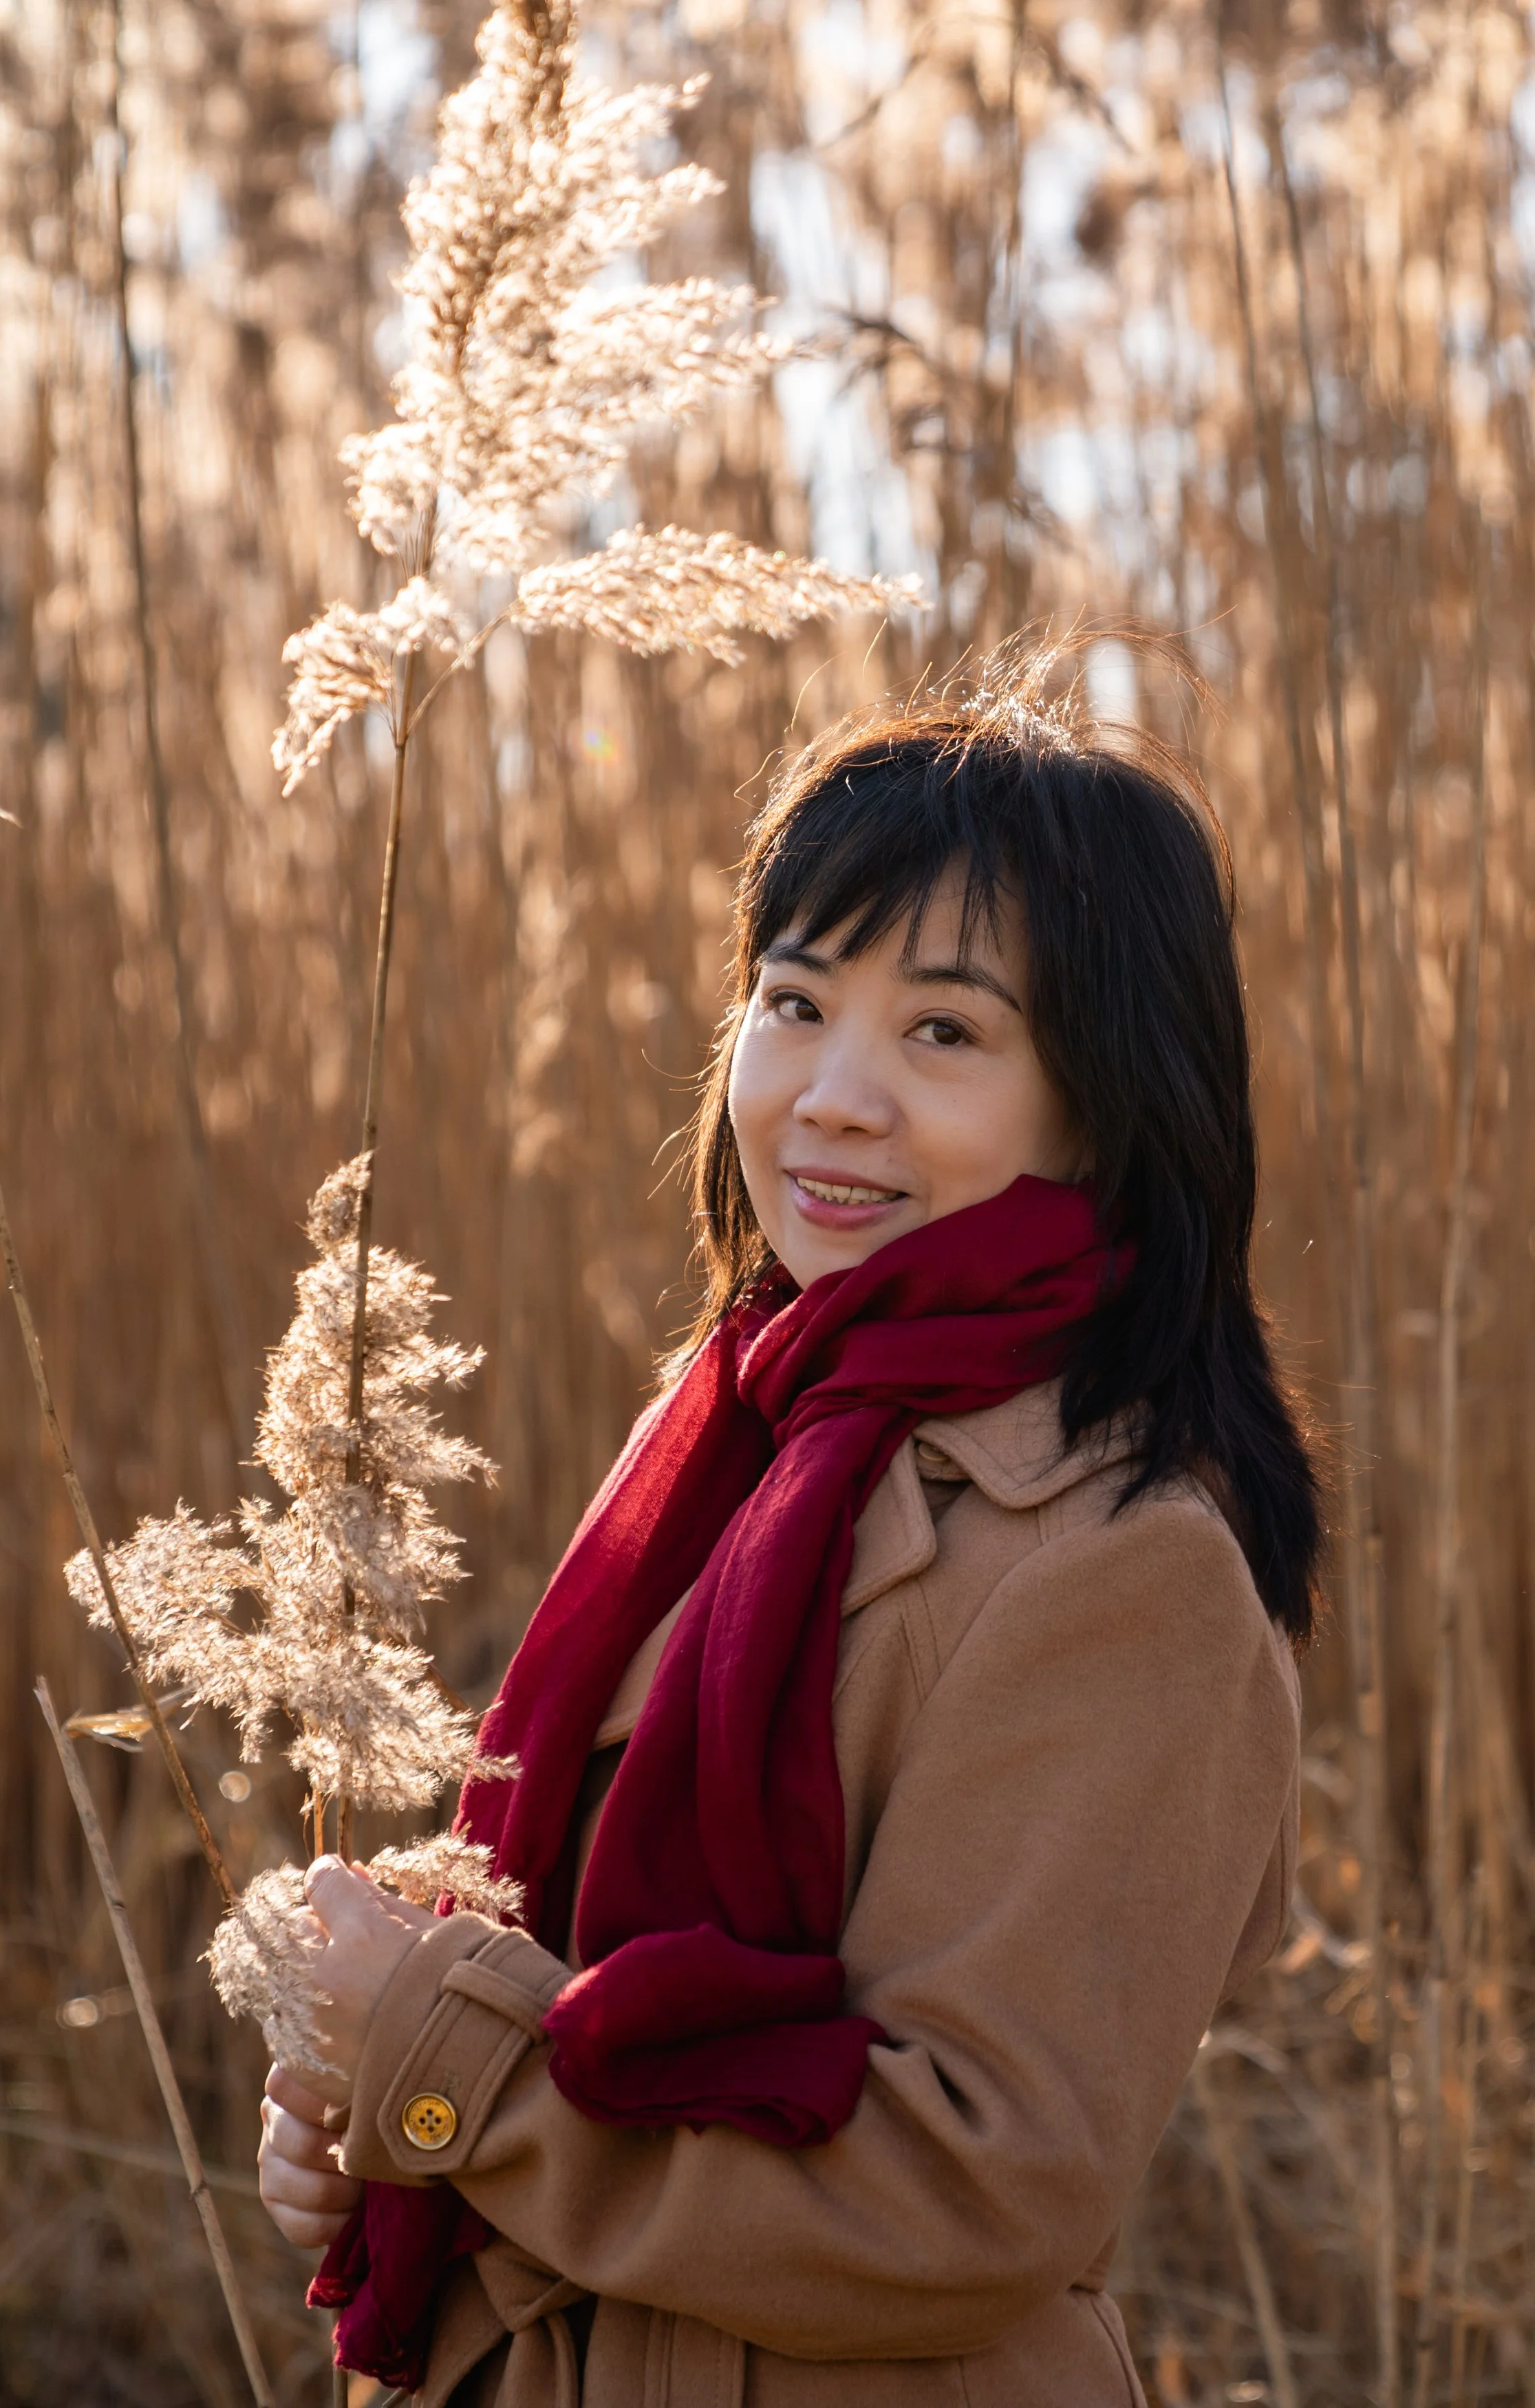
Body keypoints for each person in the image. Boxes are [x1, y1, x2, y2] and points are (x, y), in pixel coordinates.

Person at [256, 667, 1315, 2408]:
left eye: (944, 1031)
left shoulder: (1127, 1568)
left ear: (1106, 1102)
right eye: (794, 1001)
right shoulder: (743, 1434)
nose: (828, 1094)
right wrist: (387, 2130)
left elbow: (964, 2191)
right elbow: (574, 1989)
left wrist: (451, 2070)